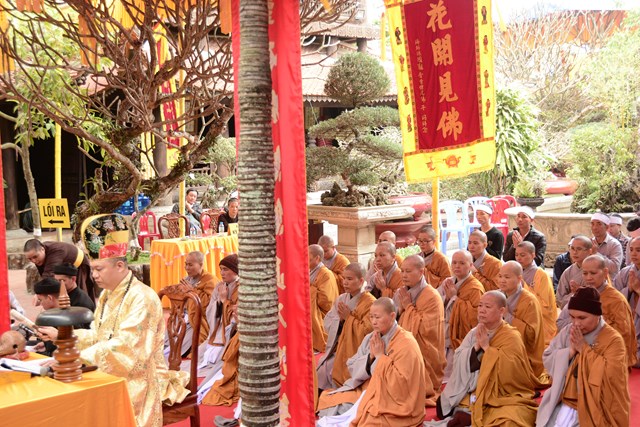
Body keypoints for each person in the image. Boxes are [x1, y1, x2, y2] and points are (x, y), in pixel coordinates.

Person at [40, 213, 188, 427]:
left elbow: (127, 349)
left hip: (138, 379)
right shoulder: (108, 294)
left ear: (119, 266)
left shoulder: (143, 298)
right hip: (110, 371)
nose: (93, 276)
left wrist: (76, 357)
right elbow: (100, 335)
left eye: (98, 269)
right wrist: (65, 337)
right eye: (92, 269)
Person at [427, 291, 539, 427]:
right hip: (475, 388)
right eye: (480, 305)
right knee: (450, 404)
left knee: (511, 419)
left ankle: (471, 415)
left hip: (503, 393)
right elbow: (459, 358)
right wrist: (476, 347)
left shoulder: (511, 336)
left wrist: (487, 347)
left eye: (487, 307)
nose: (481, 310)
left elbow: (511, 371)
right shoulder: (475, 332)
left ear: (501, 311)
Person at [316, 298, 427, 427]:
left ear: (392, 316)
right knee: (331, 404)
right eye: (371, 317)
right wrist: (370, 358)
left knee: (368, 419)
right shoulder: (372, 337)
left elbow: (402, 384)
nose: (373, 322)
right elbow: (352, 366)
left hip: (394, 400)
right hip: (368, 389)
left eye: (377, 317)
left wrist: (380, 357)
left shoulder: (406, 343)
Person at [536, 287, 630, 427]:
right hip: (563, 399)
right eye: (572, 317)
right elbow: (548, 357)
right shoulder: (568, 331)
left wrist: (583, 349)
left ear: (597, 315)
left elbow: (611, 376)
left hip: (596, 406)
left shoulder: (613, 340)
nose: (576, 323)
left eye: (582, 318)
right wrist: (569, 352)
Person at [556, 254, 637, 368]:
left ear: (605, 272)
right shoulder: (580, 295)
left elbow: (624, 335)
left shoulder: (616, 300)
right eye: (585, 273)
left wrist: (593, 328)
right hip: (577, 353)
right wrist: (577, 325)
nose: (588, 278)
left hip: (606, 359)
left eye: (593, 273)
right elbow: (560, 322)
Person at [395, 255, 445, 406]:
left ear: (421, 271)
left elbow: (427, 329)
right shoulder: (403, 292)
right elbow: (397, 319)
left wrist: (408, 307)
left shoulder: (432, 296)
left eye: (408, 271)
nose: (404, 275)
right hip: (405, 346)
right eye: (402, 271)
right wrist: (401, 310)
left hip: (425, 352)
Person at [317, 263, 375, 390]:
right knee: (320, 372)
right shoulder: (341, 299)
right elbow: (328, 323)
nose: (345, 282)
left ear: (361, 281)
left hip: (355, 353)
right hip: (338, 348)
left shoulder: (370, 303)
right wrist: (340, 320)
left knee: (332, 373)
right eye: (344, 278)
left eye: (349, 279)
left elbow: (368, 332)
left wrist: (348, 318)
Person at [497, 261, 547, 381]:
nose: (502, 280)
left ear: (519, 278)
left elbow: (531, 334)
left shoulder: (530, 301)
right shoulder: (497, 295)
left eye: (507, 277)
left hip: (523, 353)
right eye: (500, 276)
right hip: (499, 345)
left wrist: (508, 316)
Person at [439, 250, 485, 380]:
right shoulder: (448, 282)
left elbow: (477, 317)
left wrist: (455, 299)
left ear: (471, 265)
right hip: (445, 333)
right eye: (454, 263)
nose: (457, 266)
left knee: (454, 376)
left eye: (462, 263)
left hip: (461, 338)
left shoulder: (475, 288)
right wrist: (447, 298)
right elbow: (436, 303)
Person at [164, 251, 216, 357]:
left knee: (179, 348)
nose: (187, 268)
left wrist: (193, 291)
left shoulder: (210, 281)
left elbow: (211, 306)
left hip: (199, 319)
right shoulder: (187, 279)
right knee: (167, 339)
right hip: (183, 316)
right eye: (186, 264)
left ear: (201, 265)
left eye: (190, 265)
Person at [198, 254, 239, 372]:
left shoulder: (241, 288)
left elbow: (236, 314)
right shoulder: (219, 286)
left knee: (218, 360)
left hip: (231, 331)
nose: (222, 273)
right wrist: (219, 302)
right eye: (221, 269)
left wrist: (224, 300)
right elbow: (210, 310)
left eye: (225, 269)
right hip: (218, 328)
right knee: (199, 355)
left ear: (235, 270)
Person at [33, 277, 91, 356]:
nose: (40, 304)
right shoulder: (53, 315)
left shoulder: (69, 320)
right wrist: (46, 344)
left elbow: (73, 347)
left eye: (40, 300)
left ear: (49, 298)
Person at [24, 238, 97, 300]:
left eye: (35, 257)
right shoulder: (40, 254)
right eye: (30, 259)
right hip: (63, 270)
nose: (34, 261)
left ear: (42, 249)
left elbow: (48, 275)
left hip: (79, 265)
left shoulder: (55, 251)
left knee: (78, 295)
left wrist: (39, 294)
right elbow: (45, 277)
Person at [515, 241, 557, 345]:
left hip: (541, 323)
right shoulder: (516, 272)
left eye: (522, 255)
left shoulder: (542, 275)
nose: (518, 258)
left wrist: (523, 286)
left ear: (533, 255)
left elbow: (545, 306)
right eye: (516, 255)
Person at [309, 244, 339, 352]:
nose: (305, 261)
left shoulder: (326, 274)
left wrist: (310, 290)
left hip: (322, 314)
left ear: (317, 258)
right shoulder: (310, 270)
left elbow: (326, 301)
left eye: (308, 258)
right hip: (311, 308)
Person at [616, 236, 640, 367]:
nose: (634, 253)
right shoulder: (624, 273)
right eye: (631, 250)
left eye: (638, 250)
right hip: (626, 322)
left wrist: (638, 290)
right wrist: (629, 289)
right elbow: (614, 300)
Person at [556, 235, 592, 308]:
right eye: (572, 248)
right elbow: (559, 299)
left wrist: (580, 292)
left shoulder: (596, 270)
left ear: (589, 251)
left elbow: (600, 296)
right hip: (569, 311)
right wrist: (575, 295)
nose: (575, 252)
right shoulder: (568, 272)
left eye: (579, 249)